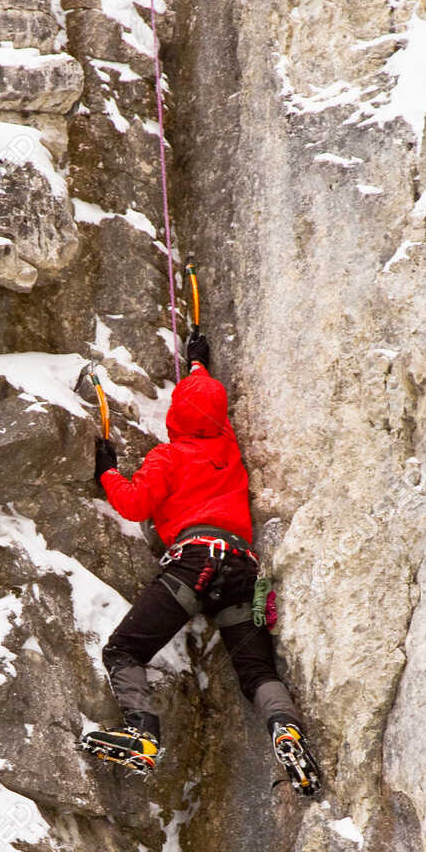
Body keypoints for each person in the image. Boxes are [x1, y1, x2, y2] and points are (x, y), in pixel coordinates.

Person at [82, 334, 320, 796]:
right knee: (258, 674)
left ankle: (142, 736)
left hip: (194, 564)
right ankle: (286, 731)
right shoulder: (227, 446)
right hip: (242, 571)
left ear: (175, 417)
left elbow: (133, 504)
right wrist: (196, 364)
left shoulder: (168, 457)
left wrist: (107, 470)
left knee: (124, 651)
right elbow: (207, 402)